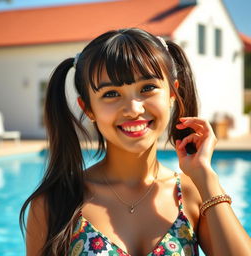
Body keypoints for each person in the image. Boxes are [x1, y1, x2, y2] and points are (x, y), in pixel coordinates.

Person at [20, 28, 251, 256]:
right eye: (111, 93)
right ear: (88, 108)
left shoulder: (194, 194)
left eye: (148, 88)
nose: (133, 109)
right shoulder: (53, 204)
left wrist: (205, 177)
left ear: (172, 93)